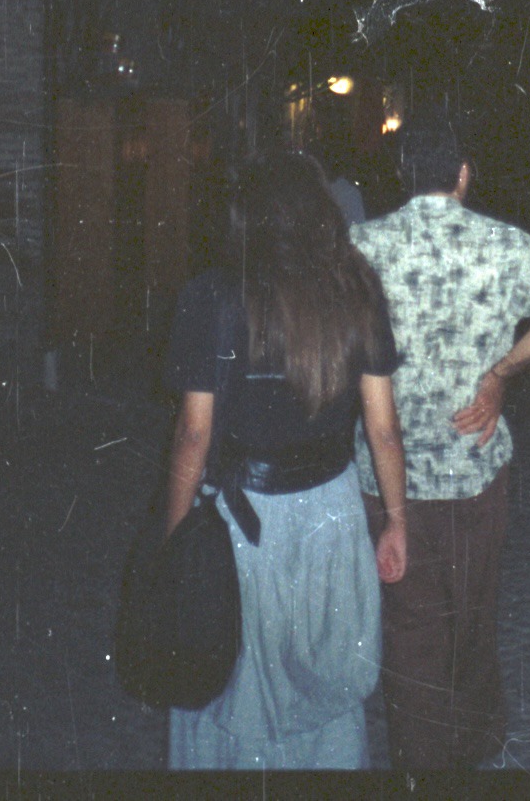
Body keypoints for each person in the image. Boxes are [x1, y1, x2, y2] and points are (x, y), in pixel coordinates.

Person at [352, 108, 530, 768]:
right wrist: (500, 372)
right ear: (462, 173)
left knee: (409, 622)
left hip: (385, 470)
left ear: (402, 174)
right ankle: (474, 739)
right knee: (473, 608)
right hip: (473, 465)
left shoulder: (361, 245)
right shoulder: (504, 242)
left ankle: (422, 754)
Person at [163, 153, 407, 770]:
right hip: (331, 511)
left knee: (239, 685)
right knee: (323, 682)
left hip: (244, 524)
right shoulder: (356, 288)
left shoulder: (214, 295)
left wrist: (173, 535)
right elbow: (382, 427)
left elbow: (195, 434)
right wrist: (396, 519)